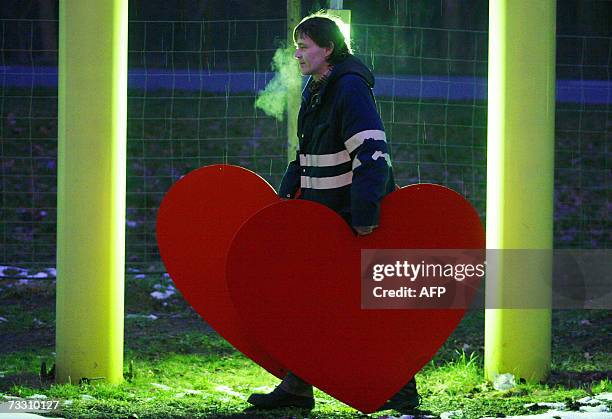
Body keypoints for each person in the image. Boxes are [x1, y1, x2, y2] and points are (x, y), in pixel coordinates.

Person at [246, 12, 420, 413]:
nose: (297, 54)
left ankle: (402, 389)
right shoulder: (318, 85)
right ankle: (297, 386)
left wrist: (364, 217)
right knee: (311, 299)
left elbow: (373, 152)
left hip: (348, 218)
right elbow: (307, 151)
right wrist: (287, 196)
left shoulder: (349, 88)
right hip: (322, 216)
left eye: (304, 46)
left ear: (327, 49)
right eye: (296, 46)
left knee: (365, 305)